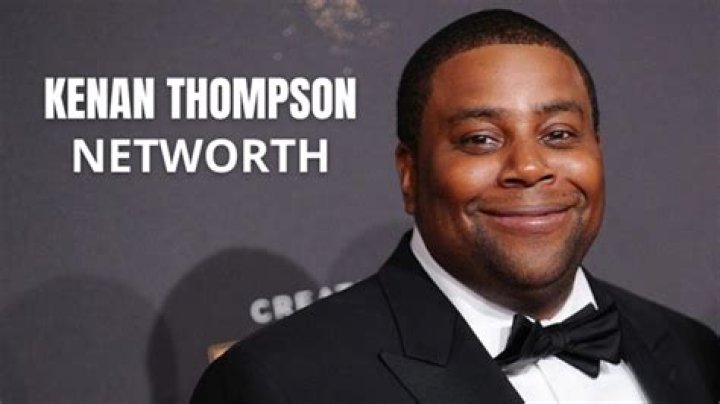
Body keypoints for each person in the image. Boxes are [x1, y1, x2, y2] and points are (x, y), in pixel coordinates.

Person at [191, 9, 719, 403]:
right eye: (480, 140)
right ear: (410, 174)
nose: (528, 167)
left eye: (559, 134)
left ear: (597, 152)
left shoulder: (695, 353)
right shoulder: (280, 385)